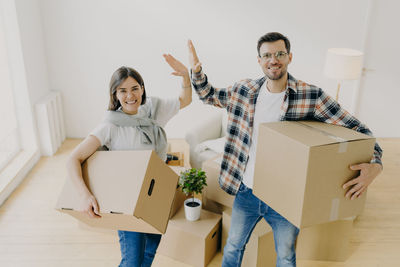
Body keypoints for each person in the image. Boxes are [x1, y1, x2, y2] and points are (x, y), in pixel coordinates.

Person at [187, 32, 383, 267]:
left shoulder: (310, 96)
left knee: (287, 257)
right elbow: (209, 95)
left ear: (290, 57)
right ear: (259, 60)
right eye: (267, 55)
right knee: (233, 248)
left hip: (286, 198)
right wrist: (196, 72)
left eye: (280, 53)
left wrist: (376, 164)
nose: (274, 60)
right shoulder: (244, 91)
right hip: (246, 191)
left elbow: (358, 129)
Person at [66, 54, 191, 267]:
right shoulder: (110, 125)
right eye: (122, 91)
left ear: (142, 88)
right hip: (129, 201)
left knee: (150, 251)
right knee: (132, 262)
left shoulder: (153, 110)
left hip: (157, 194)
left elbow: (185, 100)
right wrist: (84, 196)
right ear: (115, 94)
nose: (130, 96)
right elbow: (73, 158)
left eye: (134, 88)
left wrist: (185, 76)